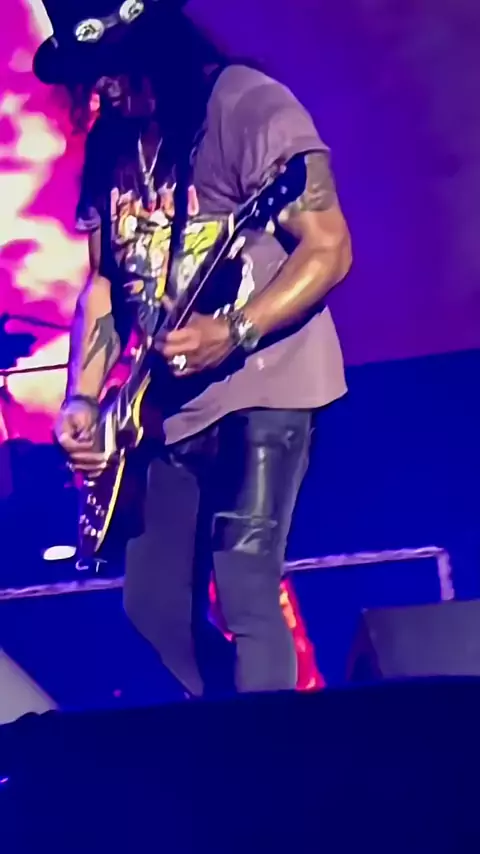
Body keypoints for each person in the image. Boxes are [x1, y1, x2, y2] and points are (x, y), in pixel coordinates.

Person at [34, 0, 352, 696]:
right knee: (151, 603)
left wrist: (235, 330)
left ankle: (271, 743)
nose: (101, 85)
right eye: (88, 73)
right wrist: (81, 397)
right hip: (167, 405)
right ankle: (230, 726)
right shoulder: (112, 141)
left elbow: (329, 247)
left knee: (245, 585)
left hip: (267, 384)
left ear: (153, 43)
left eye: (112, 65)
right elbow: (104, 287)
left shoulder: (246, 105)